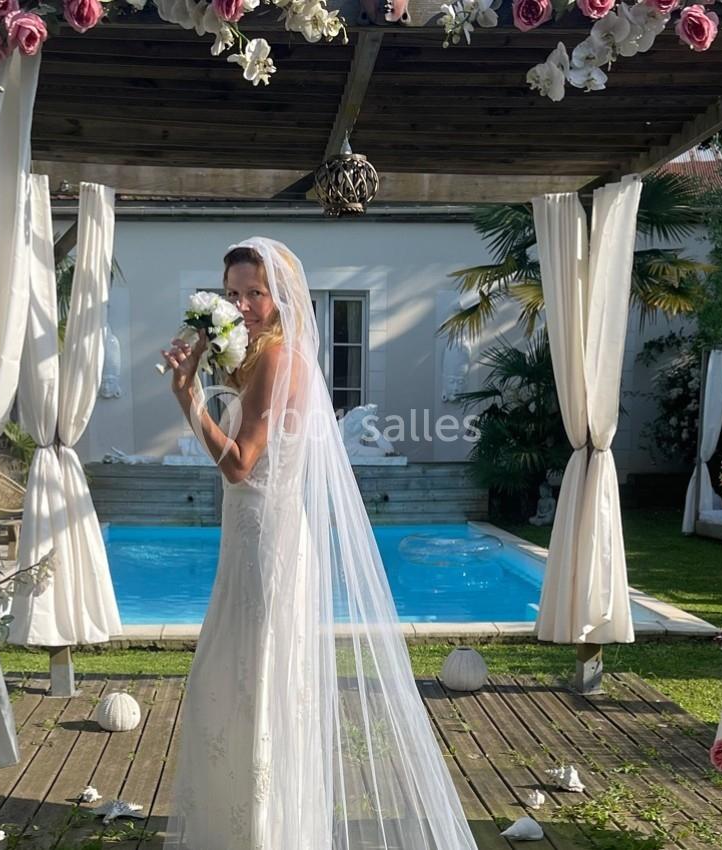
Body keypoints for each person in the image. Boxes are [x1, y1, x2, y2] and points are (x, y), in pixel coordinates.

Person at [159, 238, 478, 849]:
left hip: (267, 544)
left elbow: (240, 465)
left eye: (255, 292)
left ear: (282, 299)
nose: (244, 305)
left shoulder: (280, 363)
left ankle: (263, 832)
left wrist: (188, 401)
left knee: (252, 679)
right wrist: (200, 371)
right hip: (253, 540)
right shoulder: (254, 360)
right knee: (239, 678)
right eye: (233, 293)